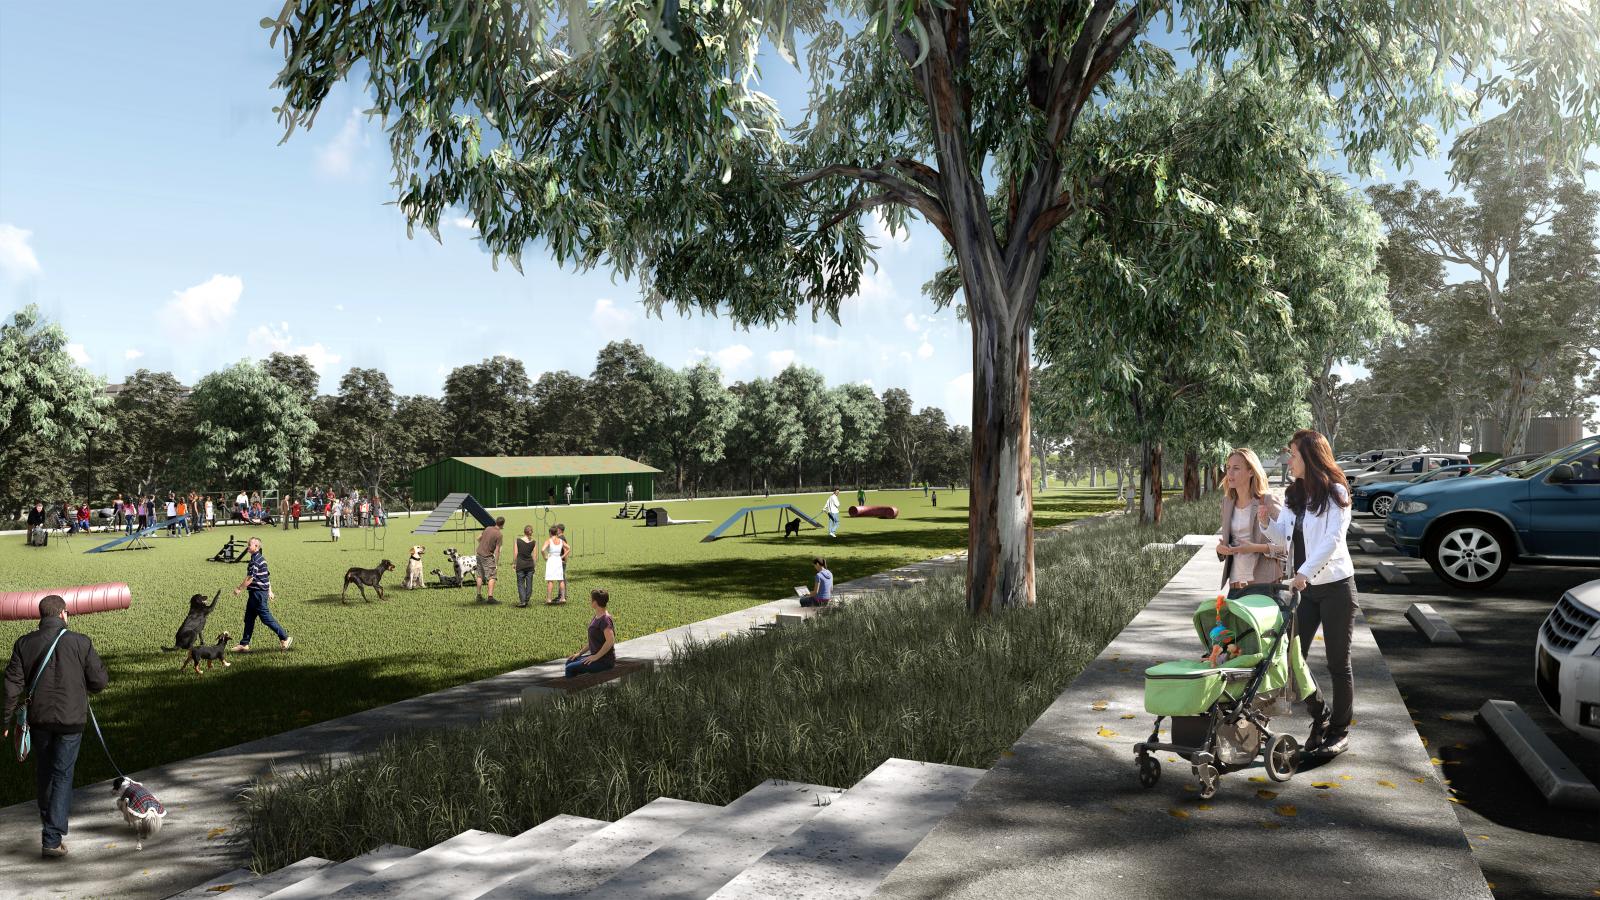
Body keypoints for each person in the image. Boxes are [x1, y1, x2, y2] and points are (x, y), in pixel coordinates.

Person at [1258, 429, 1356, 758]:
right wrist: (1265, 523)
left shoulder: (1335, 493)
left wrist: (1303, 574)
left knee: (1337, 663)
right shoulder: (1295, 495)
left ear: (1310, 457)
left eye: (1294, 454)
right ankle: (1321, 716)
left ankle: (1340, 731)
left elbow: (1331, 541)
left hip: (1336, 588)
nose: (1289, 460)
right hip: (1306, 588)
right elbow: (1285, 535)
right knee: (1290, 656)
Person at [3, 594, 110, 859]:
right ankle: (51, 838)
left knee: (45, 771)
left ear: (42, 615)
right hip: (71, 720)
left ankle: (49, 820)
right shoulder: (80, 642)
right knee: (62, 774)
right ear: (63, 613)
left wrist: (5, 721)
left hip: (38, 720)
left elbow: (11, 687)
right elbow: (99, 682)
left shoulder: (24, 643)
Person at [1215, 448, 1279, 592]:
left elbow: (1285, 548)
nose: (1229, 473)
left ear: (1251, 471)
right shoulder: (1227, 502)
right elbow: (1227, 543)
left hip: (1263, 584)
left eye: (1236, 468)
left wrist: (1254, 548)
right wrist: (1220, 549)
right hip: (1235, 584)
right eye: (1228, 468)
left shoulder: (1267, 501)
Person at [232, 537, 291, 652]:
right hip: (255, 594)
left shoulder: (256, 560)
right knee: (249, 618)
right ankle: (244, 644)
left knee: (265, 618)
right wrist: (270, 590)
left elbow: (250, 578)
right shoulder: (259, 558)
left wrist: (239, 589)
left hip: (258, 594)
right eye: (248, 544)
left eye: (250, 545)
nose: (248, 546)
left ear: (256, 547)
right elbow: (266, 576)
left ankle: (284, 637)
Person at [565, 589, 616, 677]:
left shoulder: (605, 619)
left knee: (570, 668)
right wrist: (579, 653)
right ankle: (579, 685)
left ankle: (573, 689)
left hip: (604, 661)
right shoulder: (597, 616)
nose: (589, 601)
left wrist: (596, 657)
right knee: (570, 661)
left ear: (595, 602)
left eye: (591, 599)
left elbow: (610, 641)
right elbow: (593, 640)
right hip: (596, 657)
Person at [475, 516, 506, 604]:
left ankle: (479, 595)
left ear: (496, 522)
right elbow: (497, 550)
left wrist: (483, 544)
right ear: (502, 525)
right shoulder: (499, 534)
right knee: (492, 576)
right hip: (487, 556)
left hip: (479, 554)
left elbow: (478, 538)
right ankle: (490, 598)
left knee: (480, 575)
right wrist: (496, 563)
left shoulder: (488, 528)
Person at [513, 525, 539, 608]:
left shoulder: (517, 541)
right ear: (531, 532)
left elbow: (515, 554)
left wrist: (514, 563)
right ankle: (526, 599)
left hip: (520, 565)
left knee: (520, 584)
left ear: (524, 532)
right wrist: (534, 566)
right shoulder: (534, 542)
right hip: (530, 565)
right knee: (529, 583)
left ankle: (523, 601)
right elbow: (535, 556)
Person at [543, 525, 568, 605]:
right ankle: (563, 597)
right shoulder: (561, 541)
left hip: (551, 560)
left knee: (550, 580)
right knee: (560, 579)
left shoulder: (549, 541)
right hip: (558, 560)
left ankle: (549, 599)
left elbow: (542, 550)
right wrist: (563, 556)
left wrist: (545, 557)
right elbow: (568, 548)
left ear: (550, 533)